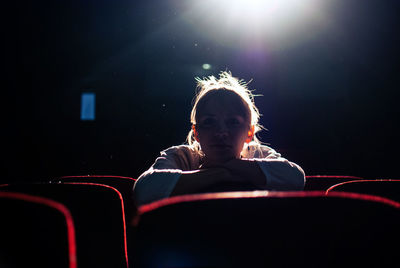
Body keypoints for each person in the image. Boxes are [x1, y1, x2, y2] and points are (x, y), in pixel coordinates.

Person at [133, 71, 305, 206]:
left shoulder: (258, 153)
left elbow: (296, 177)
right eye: (209, 122)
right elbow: (144, 189)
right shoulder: (182, 156)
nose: (221, 132)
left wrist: (230, 166)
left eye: (232, 122)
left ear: (249, 133)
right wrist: (220, 174)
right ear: (196, 133)